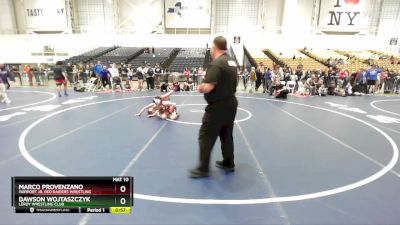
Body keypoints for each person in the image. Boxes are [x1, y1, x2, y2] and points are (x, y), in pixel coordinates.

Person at [189, 36, 238, 178]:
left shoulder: (217, 63)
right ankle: (229, 162)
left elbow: (208, 87)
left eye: (211, 47)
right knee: (226, 135)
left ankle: (203, 169)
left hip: (218, 107)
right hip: (231, 104)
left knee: (205, 136)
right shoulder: (231, 61)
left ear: (215, 48)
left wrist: (200, 87)